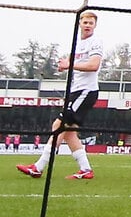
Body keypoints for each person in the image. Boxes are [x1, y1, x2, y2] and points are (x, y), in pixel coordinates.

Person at [17, 11, 103, 180]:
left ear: (95, 25)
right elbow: (72, 65)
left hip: (86, 91)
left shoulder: (95, 42)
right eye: (85, 22)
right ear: (80, 23)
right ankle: (86, 169)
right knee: (69, 133)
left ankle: (38, 167)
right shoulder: (77, 43)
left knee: (58, 125)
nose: (87, 25)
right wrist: (65, 66)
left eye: (91, 23)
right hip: (76, 91)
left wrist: (70, 65)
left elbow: (94, 65)